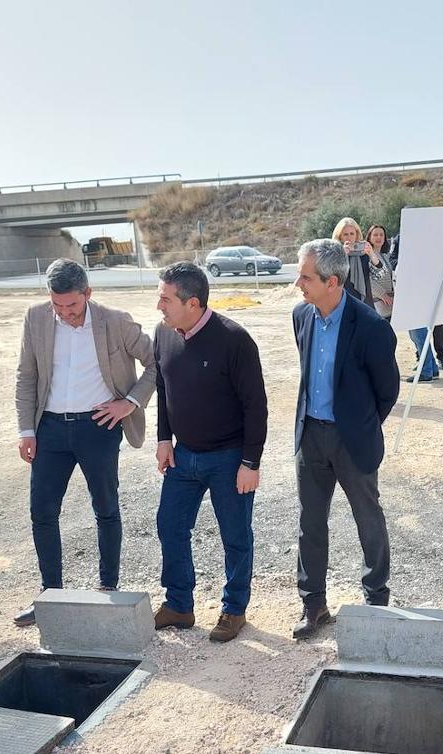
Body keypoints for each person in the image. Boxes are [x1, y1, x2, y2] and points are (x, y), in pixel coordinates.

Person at [12, 259, 157, 627]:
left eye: (72, 305)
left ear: (87, 293)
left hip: (98, 426)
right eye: (57, 305)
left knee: (105, 507)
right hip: (50, 429)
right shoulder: (37, 318)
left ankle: (108, 590)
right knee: (42, 512)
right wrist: (26, 431)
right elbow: (26, 375)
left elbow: (157, 362)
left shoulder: (116, 321)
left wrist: (130, 402)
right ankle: (51, 595)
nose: (64, 313)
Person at [152, 262, 267, 643]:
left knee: (235, 536)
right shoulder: (163, 334)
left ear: (194, 303)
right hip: (183, 457)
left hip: (229, 459)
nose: (159, 306)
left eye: (166, 299)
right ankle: (180, 605)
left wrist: (251, 463)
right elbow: (164, 391)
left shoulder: (234, 340)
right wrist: (164, 438)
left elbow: (256, 406)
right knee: (170, 525)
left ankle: (234, 609)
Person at [291, 239, 400, 639]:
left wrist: (360, 424)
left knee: (367, 518)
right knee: (310, 521)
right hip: (311, 437)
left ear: (332, 281)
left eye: (305, 276)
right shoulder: (301, 316)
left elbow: (387, 390)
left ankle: (376, 601)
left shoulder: (370, 326)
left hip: (352, 439)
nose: (298, 283)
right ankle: (313, 604)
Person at [388, 233, 443, 380]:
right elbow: (393, 261)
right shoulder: (399, 239)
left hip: (422, 291)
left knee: (419, 332)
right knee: (416, 333)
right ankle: (432, 368)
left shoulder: (427, 237)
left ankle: (426, 370)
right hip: (409, 289)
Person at [331, 217, 374, 305]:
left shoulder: (364, 253)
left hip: (365, 302)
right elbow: (330, 275)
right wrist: (342, 255)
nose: (349, 237)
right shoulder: (333, 254)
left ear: (357, 234)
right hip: (342, 301)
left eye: (352, 234)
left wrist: (372, 255)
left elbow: (379, 275)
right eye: (345, 234)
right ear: (340, 236)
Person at [363, 224, 396, 320]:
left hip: (389, 303)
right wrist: (382, 295)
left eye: (381, 235)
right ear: (369, 237)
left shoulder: (385, 256)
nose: (379, 237)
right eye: (375, 235)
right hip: (377, 303)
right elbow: (367, 279)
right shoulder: (366, 256)